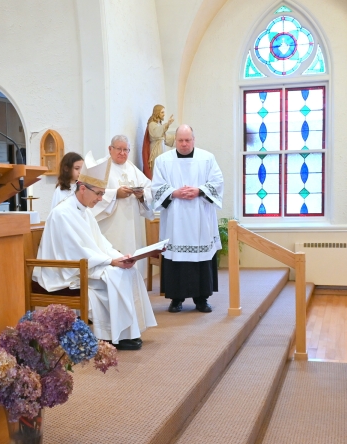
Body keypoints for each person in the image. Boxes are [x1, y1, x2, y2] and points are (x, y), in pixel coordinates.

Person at [34, 156, 157, 350]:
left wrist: (117, 256)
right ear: (83, 188)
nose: (100, 198)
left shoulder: (83, 211)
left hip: (85, 264)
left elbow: (99, 241)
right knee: (115, 274)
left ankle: (128, 331)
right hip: (65, 271)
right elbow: (75, 251)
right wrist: (110, 261)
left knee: (128, 271)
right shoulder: (62, 213)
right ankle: (116, 335)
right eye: (98, 194)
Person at [151, 125, 223, 313]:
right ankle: (176, 299)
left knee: (202, 257)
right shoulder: (162, 160)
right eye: (180, 140)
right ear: (175, 140)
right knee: (175, 258)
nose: (184, 144)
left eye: (187, 140)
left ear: (194, 139)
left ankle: (202, 299)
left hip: (200, 216)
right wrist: (174, 192)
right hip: (175, 217)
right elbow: (156, 186)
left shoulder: (207, 158)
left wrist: (199, 190)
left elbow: (217, 182)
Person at [92, 135, 154, 269]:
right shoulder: (100, 167)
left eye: (126, 150)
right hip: (111, 225)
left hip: (131, 225)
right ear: (110, 149)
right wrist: (115, 194)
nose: (122, 153)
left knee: (130, 255)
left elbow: (149, 188)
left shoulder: (132, 168)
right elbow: (91, 193)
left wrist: (141, 195)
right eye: (119, 149)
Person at [142, 104, 174, 178]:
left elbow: (164, 137)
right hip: (155, 149)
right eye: (162, 112)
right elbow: (157, 133)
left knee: (162, 166)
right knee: (157, 166)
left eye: (164, 112)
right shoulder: (152, 124)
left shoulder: (159, 124)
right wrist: (167, 124)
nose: (164, 114)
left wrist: (177, 138)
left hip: (161, 147)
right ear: (157, 112)